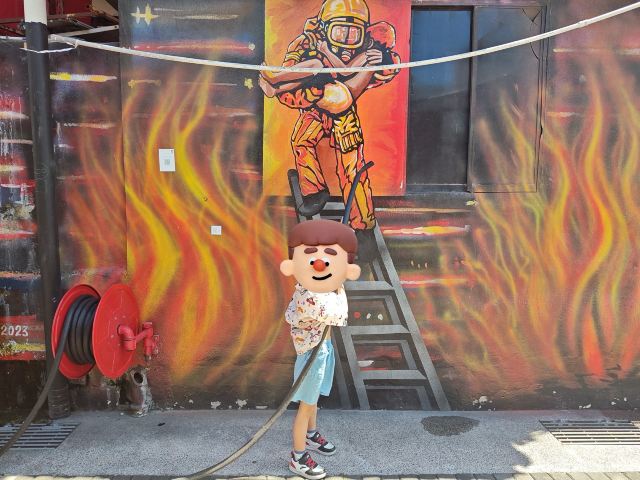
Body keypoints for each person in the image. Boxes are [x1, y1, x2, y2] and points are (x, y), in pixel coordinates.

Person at [261, 0, 401, 261]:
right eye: (340, 32)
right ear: (325, 29)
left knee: (353, 169)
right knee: (301, 140)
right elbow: (292, 72)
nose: (347, 42)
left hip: (344, 114)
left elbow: (386, 68)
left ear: (363, 34)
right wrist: (304, 85)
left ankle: (363, 229)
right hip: (317, 107)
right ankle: (314, 191)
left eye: (353, 34)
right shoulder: (307, 44)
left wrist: (377, 59)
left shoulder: (370, 52)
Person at [280, 219, 361, 479]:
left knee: (313, 401)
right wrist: (340, 282)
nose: (320, 264)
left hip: (322, 349)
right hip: (312, 356)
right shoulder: (309, 297)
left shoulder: (317, 290)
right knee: (306, 406)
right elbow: (339, 315)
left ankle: (311, 435)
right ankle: (298, 456)